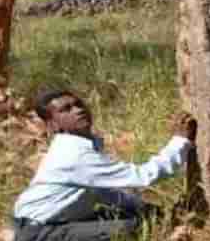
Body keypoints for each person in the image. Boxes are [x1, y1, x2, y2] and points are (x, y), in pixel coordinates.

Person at [13, 88, 196, 241]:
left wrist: (147, 208)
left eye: (79, 104)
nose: (78, 110)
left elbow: (103, 193)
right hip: (39, 233)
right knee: (132, 228)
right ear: (53, 125)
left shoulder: (83, 145)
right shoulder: (73, 154)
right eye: (66, 109)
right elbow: (143, 176)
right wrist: (180, 141)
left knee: (147, 217)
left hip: (54, 222)